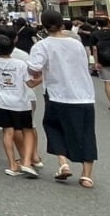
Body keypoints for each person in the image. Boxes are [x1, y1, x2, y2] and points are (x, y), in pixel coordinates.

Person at [27, 10, 97, 187]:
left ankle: (63, 163)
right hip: (84, 94)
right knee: (86, 133)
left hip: (57, 94)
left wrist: (35, 74)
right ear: (62, 24)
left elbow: (34, 68)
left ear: (43, 25)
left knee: (54, 128)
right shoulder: (77, 44)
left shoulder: (43, 45)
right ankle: (87, 175)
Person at [0, 31, 38, 178]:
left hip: (0, 103)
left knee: (7, 132)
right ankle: (26, 162)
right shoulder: (20, 64)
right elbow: (30, 83)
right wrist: (42, 77)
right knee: (27, 130)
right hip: (21, 103)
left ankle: (12, 165)